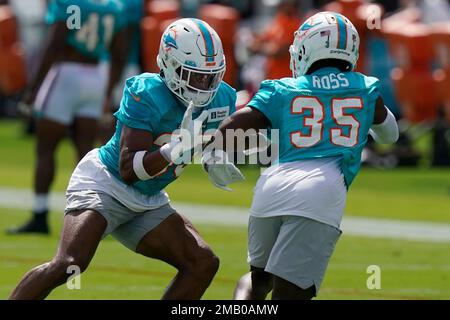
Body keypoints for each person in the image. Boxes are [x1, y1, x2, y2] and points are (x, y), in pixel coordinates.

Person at [9, 17, 237, 300]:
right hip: (106, 184)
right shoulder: (146, 92)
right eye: (195, 75)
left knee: (202, 263)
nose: (205, 84)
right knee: (70, 264)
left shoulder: (223, 96)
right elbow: (128, 169)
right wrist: (172, 150)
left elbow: (213, 137)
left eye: (211, 76)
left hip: (148, 198)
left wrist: (215, 156)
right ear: (170, 65)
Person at [202, 11, 399, 299]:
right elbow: (389, 134)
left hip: (271, 187)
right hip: (320, 192)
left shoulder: (282, 89)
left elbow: (238, 121)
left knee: (258, 281)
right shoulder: (367, 88)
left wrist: (212, 152)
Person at [7, 0, 136, 235]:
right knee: (86, 152)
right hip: (96, 77)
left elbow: (55, 43)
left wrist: (34, 87)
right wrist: (106, 91)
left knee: (46, 148)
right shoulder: (114, 6)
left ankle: (40, 215)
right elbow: (119, 54)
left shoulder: (69, 2)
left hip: (66, 74)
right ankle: (90, 219)